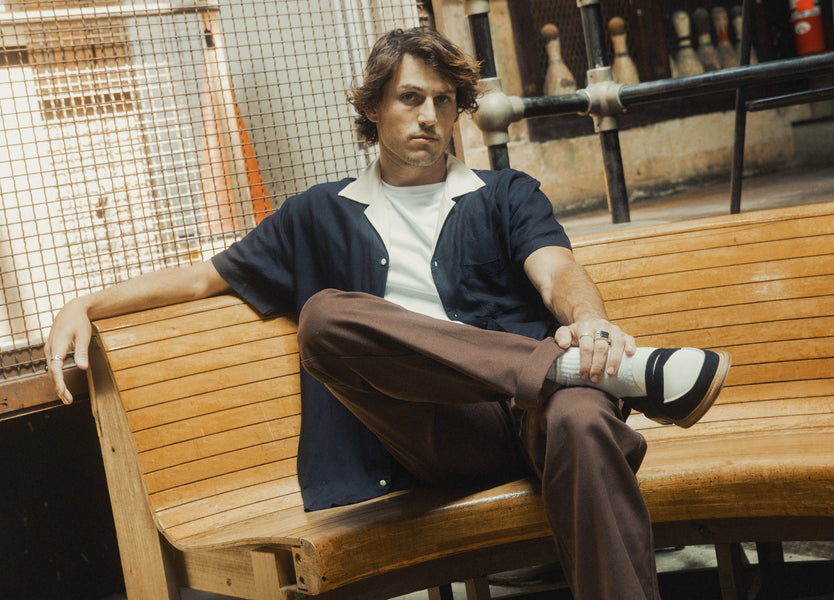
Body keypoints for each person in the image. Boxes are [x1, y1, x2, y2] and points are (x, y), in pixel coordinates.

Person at [47, 27, 730, 600]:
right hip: (428, 429)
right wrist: (86, 301)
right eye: (410, 98)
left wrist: (590, 323)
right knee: (324, 318)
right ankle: (573, 370)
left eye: (444, 100)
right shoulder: (318, 214)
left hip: (534, 418)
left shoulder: (504, 193)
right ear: (374, 108)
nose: (430, 115)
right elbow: (204, 279)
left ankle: (571, 374)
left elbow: (556, 271)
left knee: (582, 417)